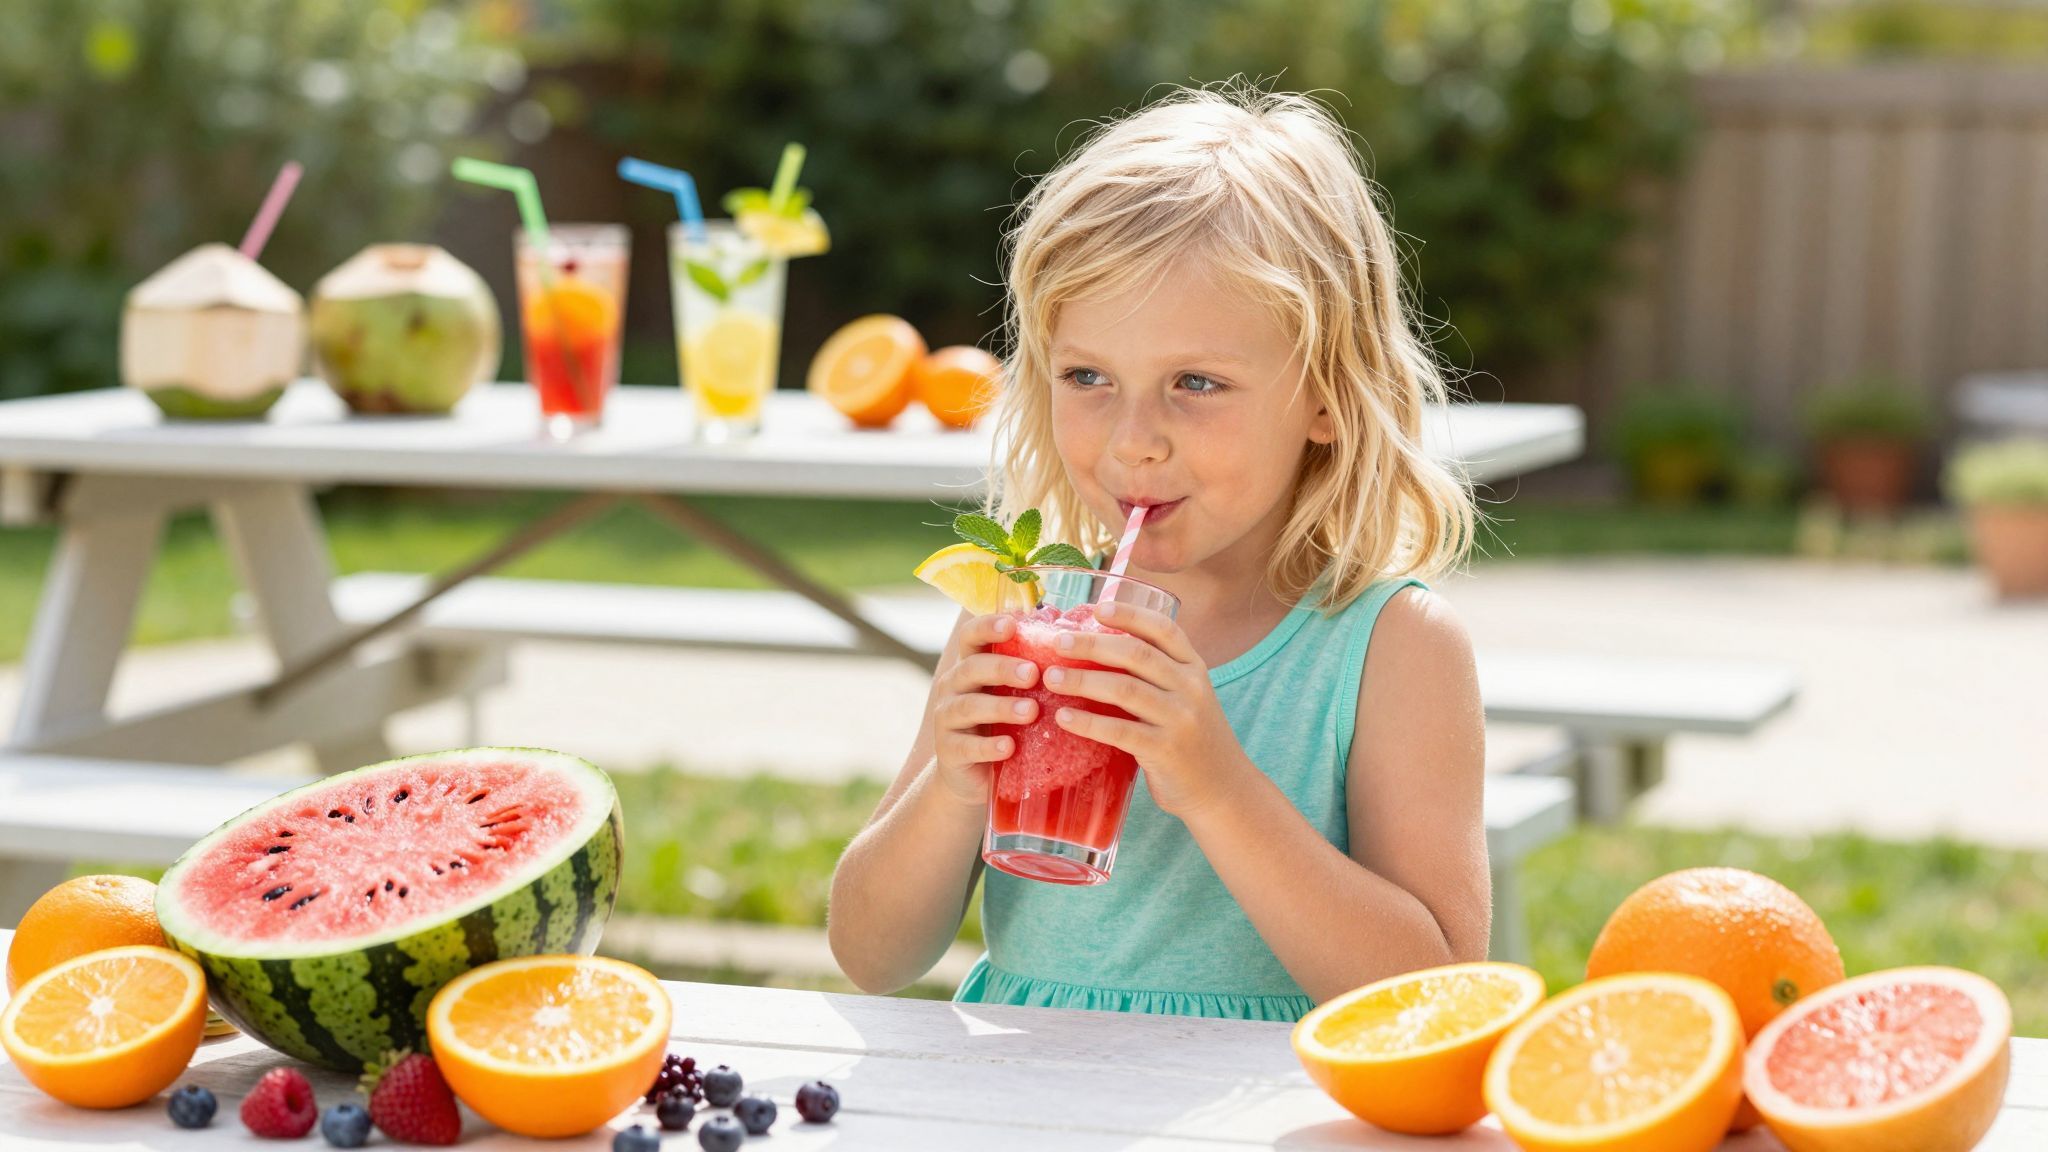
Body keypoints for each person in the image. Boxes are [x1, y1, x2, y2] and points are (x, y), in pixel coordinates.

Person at [828, 85, 1488, 1020]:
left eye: (1197, 383)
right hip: (1033, 1096)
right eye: (1088, 376)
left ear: (1328, 399)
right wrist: (950, 782)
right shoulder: (1027, 614)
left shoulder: (1391, 646)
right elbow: (871, 956)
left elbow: (1438, 995)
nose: (1135, 438)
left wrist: (1217, 786)